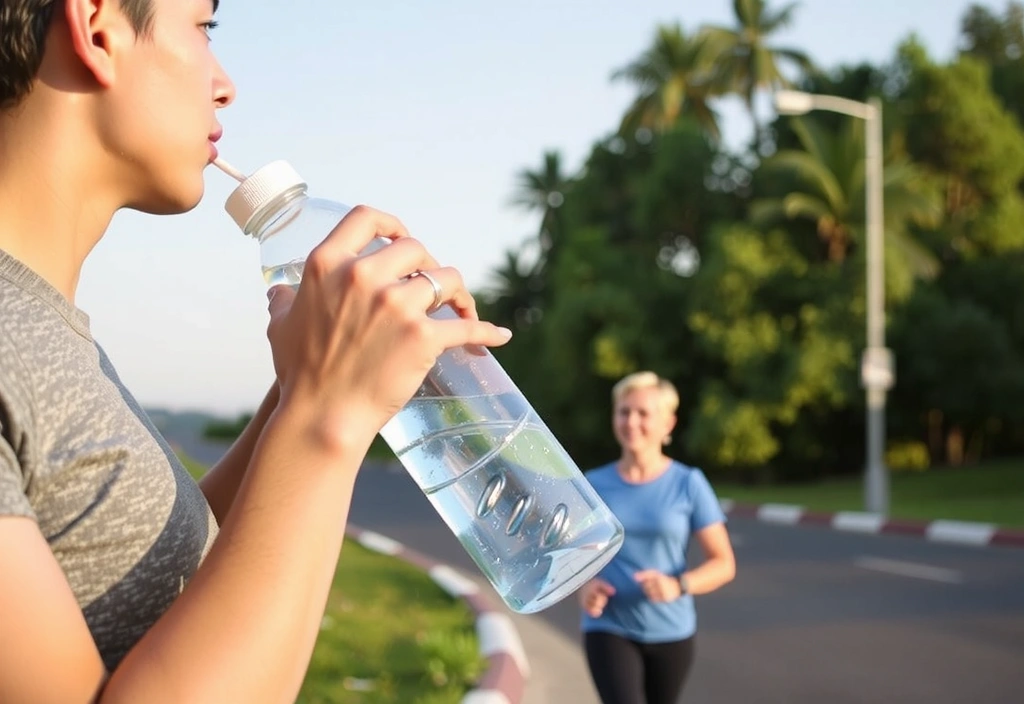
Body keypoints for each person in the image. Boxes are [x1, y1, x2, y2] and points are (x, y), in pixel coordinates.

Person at [0, 1, 512, 701]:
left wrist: (315, 382)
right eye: (203, 26)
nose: (226, 83)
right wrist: (323, 424)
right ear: (97, 29)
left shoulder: (42, 329)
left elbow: (151, 569)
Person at [578, 371, 736, 704]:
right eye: (624, 411)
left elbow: (723, 563)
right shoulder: (591, 484)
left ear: (668, 424)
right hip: (609, 626)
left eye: (643, 413)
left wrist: (677, 585)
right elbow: (573, 552)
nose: (631, 422)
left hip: (672, 630)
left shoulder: (688, 483)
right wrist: (583, 586)